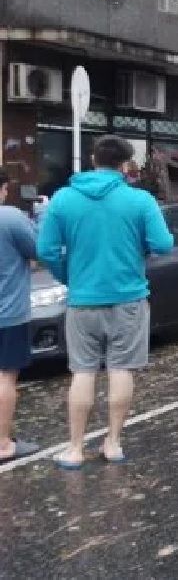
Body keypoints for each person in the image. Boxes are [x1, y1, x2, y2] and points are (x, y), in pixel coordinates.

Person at [37, 135, 174, 469]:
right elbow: (163, 244)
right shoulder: (140, 201)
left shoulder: (63, 199)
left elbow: (45, 251)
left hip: (83, 300)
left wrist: (69, 275)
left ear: (93, 159)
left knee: (82, 372)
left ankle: (74, 449)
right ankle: (112, 443)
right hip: (129, 299)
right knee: (120, 369)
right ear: (126, 165)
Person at [0, 171, 40, 462]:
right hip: (8, 314)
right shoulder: (11, 218)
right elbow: (39, 251)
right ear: (3, 188)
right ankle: (3, 444)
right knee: (5, 378)